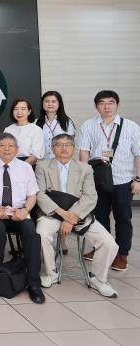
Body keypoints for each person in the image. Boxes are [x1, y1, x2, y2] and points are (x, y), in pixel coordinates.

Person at [35, 134, 119, 297]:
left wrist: (72, 217)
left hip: (79, 214)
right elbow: (39, 193)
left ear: (74, 148)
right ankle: (50, 273)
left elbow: (90, 197)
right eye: (59, 144)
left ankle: (98, 278)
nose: (64, 148)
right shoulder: (43, 166)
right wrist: (62, 214)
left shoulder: (85, 168)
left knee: (109, 243)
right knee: (41, 234)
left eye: (68, 144)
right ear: (52, 148)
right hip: (52, 213)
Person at [0, 132, 45, 304]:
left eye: (11, 146)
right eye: (2, 146)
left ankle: (34, 283)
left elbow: (32, 195)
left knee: (32, 234)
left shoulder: (25, 167)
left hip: (20, 211)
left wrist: (25, 209)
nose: (7, 149)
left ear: (17, 149)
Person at [78, 90, 140, 271]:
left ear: (117, 105)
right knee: (99, 217)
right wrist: (83, 179)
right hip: (97, 181)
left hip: (123, 180)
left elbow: (138, 154)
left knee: (123, 218)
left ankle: (122, 254)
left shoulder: (131, 127)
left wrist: (138, 179)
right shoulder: (89, 125)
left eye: (111, 102)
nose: (107, 106)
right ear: (96, 106)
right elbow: (84, 152)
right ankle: (102, 249)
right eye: (102, 103)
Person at [36, 91, 76, 161]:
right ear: (42, 103)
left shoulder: (67, 122)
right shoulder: (36, 122)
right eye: (47, 101)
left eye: (53, 101)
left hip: (61, 161)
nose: (50, 104)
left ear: (59, 104)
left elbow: (70, 145)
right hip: (41, 163)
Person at [4, 98, 44, 165]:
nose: (19, 112)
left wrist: (21, 168)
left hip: (29, 165)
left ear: (29, 111)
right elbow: (4, 151)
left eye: (23, 109)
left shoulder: (36, 129)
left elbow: (35, 156)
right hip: (10, 164)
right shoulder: (8, 130)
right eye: (16, 109)